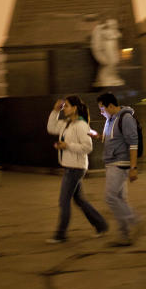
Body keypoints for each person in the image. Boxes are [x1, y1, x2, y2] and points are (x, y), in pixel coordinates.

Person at [46, 96, 109, 243]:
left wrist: (67, 146)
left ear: (74, 108)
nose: (64, 108)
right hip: (70, 166)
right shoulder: (67, 123)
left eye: (67, 106)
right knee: (79, 200)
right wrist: (55, 111)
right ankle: (101, 225)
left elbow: (88, 147)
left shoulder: (81, 125)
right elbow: (51, 128)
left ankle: (61, 235)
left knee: (64, 201)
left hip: (75, 168)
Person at [97, 92, 142, 246]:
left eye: (102, 108)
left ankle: (135, 220)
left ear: (110, 106)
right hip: (112, 162)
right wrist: (98, 136)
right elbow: (113, 139)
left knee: (110, 197)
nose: (101, 111)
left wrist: (134, 167)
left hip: (119, 163)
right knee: (120, 199)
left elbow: (133, 143)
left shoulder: (126, 118)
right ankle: (124, 236)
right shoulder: (110, 120)